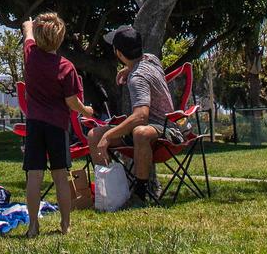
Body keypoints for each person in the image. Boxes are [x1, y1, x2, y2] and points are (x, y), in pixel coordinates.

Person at [88, 25, 184, 207]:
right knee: (94, 135)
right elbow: (143, 58)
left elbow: (141, 116)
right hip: (151, 125)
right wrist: (127, 69)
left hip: (167, 128)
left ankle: (139, 194)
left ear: (118, 53)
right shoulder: (152, 60)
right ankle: (110, 193)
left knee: (140, 131)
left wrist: (109, 136)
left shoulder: (137, 78)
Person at [21, 13, 94, 237]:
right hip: (57, 126)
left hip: (34, 125)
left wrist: (30, 24)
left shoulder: (30, 56)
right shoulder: (66, 67)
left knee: (34, 176)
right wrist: (86, 111)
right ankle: (65, 224)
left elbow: (27, 32)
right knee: (61, 176)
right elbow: (71, 102)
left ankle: (33, 225)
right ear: (60, 39)